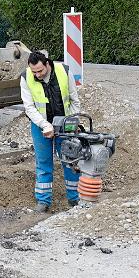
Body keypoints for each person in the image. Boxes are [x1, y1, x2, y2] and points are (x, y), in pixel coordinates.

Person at [20, 51, 82, 212]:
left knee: (70, 162)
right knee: (43, 163)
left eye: (40, 71)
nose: (37, 75)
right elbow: (29, 107)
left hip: (65, 123)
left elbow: (74, 100)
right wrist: (44, 125)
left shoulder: (64, 71)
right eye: (34, 71)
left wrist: (73, 122)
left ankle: (75, 199)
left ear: (47, 64)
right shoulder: (26, 77)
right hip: (40, 125)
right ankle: (43, 201)